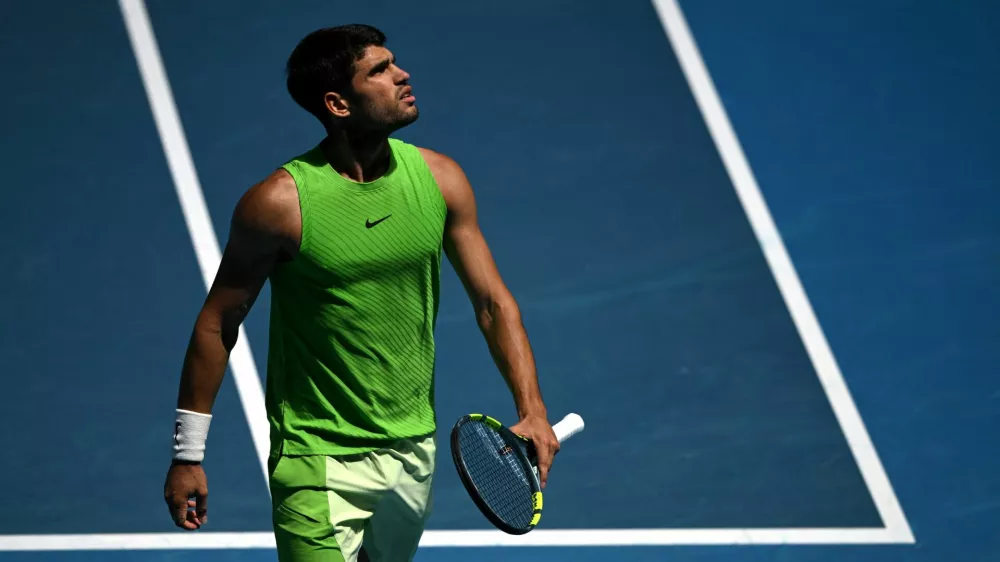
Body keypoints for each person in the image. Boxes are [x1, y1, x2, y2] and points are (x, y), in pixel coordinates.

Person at [162, 24, 560, 562]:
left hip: (413, 448)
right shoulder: (280, 204)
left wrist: (532, 410)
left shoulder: (440, 179)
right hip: (317, 456)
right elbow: (218, 322)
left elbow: (492, 303)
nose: (403, 74)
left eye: (394, 63)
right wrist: (189, 453)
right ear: (338, 103)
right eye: (379, 70)